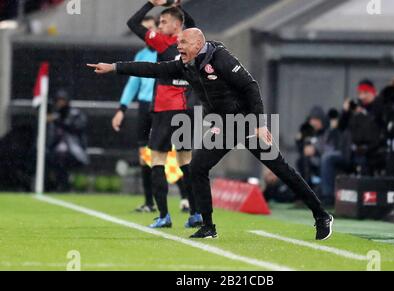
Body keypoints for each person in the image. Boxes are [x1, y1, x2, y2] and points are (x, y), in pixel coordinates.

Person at [88, 28, 333, 241]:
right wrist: (114, 67)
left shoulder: (221, 58)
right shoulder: (185, 65)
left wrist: (259, 122)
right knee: (197, 168)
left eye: (183, 43)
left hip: (246, 121)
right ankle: (208, 226)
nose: (178, 46)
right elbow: (153, 68)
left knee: (281, 169)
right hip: (223, 125)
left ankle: (322, 216)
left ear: (197, 44)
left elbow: (251, 87)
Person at [125, 0, 200, 228]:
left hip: (166, 107)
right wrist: (178, 6)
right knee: (185, 161)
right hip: (186, 108)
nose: (159, 26)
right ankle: (196, 214)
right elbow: (195, 25)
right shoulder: (192, 44)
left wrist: (150, 3)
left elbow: (132, 23)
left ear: (177, 26)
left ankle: (164, 215)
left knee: (157, 160)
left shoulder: (163, 43)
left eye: (164, 22)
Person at [113, 15, 190, 214]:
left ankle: (185, 198)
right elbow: (133, 83)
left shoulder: (167, 48)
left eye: (150, 27)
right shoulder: (142, 54)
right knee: (146, 156)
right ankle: (150, 202)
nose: (146, 32)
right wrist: (121, 108)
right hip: (147, 106)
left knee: (172, 156)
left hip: (165, 106)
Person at [46, 89, 89, 192]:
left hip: (74, 150)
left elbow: (77, 128)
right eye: (58, 101)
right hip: (53, 150)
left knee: (62, 157)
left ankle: (64, 185)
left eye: (63, 100)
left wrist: (58, 121)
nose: (60, 103)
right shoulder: (53, 115)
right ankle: (50, 185)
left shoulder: (75, 114)